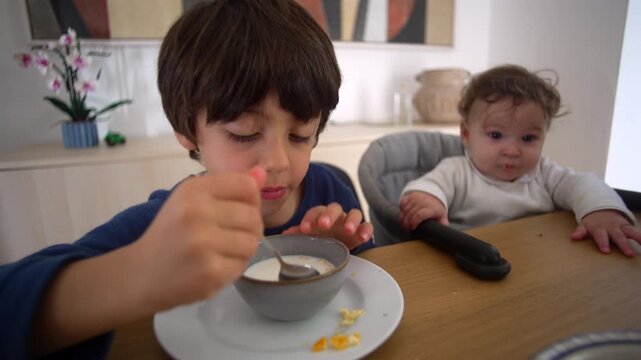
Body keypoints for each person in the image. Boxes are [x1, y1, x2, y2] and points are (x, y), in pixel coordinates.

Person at [0, 1, 374, 358]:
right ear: (187, 130)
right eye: (244, 133)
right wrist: (139, 271)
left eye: (300, 135)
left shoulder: (331, 191)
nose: (278, 162)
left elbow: (376, 283)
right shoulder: (168, 225)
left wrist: (341, 253)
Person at [399, 64, 641, 257]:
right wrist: (428, 200)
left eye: (528, 138)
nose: (512, 150)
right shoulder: (457, 171)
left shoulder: (545, 174)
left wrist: (601, 210)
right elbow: (428, 187)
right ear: (466, 134)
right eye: (496, 135)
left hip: (535, 260)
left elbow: (583, 184)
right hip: (474, 261)